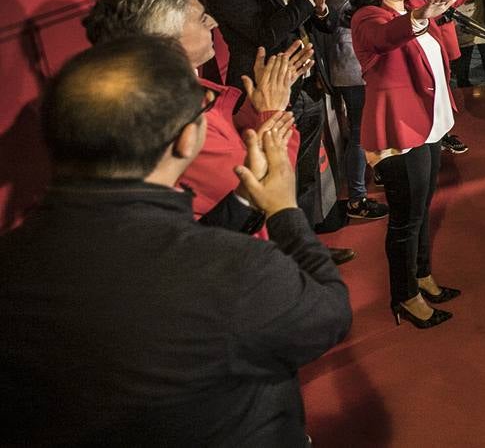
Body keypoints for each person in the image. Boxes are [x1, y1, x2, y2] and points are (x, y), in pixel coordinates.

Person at [0, 37, 351, 444]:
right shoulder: (237, 270)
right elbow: (330, 314)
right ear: (187, 138)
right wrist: (285, 212)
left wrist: (242, 200)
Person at [348, 0, 485, 328]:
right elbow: (386, 39)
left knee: (421, 212)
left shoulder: (411, 4)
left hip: (430, 126)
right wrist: (419, 16)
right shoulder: (368, 18)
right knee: (406, 220)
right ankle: (404, 296)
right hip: (400, 134)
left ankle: (422, 277)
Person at [82, 0, 314, 235]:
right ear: (167, 40)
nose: (213, 23)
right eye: (203, 19)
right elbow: (272, 186)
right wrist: (272, 110)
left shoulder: (198, 94)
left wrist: (259, 103)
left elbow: (235, 139)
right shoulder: (168, 122)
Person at [205, 0, 341, 231]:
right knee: (278, 175)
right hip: (268, 96)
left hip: (308, 86)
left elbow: (321, 26)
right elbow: (264, 34)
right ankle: (284, 249)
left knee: (306, 173)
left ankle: (305, 239)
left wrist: (319, 6)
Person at [322, 0, 388, 218]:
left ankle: (374, 176)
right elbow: (349, 13)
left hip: (371, 58)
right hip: (349, 62)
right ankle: (357, 199)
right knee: (360, 129)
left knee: (374, 124)